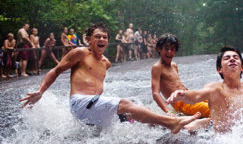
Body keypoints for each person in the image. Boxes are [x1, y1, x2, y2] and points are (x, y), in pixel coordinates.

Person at [19, 22, 199, 134]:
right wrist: (41, 91)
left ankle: (178, 127)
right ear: (89, 39)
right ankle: (172, 123)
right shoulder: (80, 53)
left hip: (94, 110)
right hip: (81, 103)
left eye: (105, 37)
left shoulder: (106, 62)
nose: (102, 39)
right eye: (97, 36)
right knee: (126, 103)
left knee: (137, 116)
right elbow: (56, 70)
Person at [152, 33, 210, 119]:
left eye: (172, 49)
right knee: (213, 108)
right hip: (181, 103)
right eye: (166, 49)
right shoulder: (157, 67)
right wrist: (169, 112)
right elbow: (155, 93)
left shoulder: (174, 65)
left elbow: (177, 85)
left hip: (188, 96)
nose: (169, 52)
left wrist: (192, 94)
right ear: (159, 49)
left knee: (218, 99)